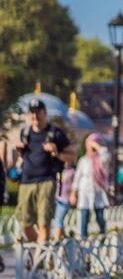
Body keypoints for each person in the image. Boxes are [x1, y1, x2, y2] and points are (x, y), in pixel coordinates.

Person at [15, 99, 74, 243]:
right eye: (32, 113)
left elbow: (72, 157)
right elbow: (22, 157)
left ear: (45, 113)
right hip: (26, 181)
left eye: (38, 113)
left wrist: (56, 153)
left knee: (43, 222)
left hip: (47, 180)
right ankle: (42, 251)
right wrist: (19, 151)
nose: (35, 116)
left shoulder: (55, 133)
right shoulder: (25, 132)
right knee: (25, 223)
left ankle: (40, 258)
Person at [71, 134, 111, 239]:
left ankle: (103, 236)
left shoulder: (101, 159)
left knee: (100, 216)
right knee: (84, 215)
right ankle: (83, 238)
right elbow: (77, 177)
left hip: (97, 189)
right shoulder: (84, 160)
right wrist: (73, 193)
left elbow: (105, 155)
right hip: (85, 190)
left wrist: (97, 146)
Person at [51, 157, 75, 241]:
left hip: (65, 199)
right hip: (56, 198)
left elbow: (75, 185)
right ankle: (64, 237)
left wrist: (73, 195)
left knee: (59, 219)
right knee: (57, 218)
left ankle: (56, 240)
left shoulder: (72, 172)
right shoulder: (58, 171)